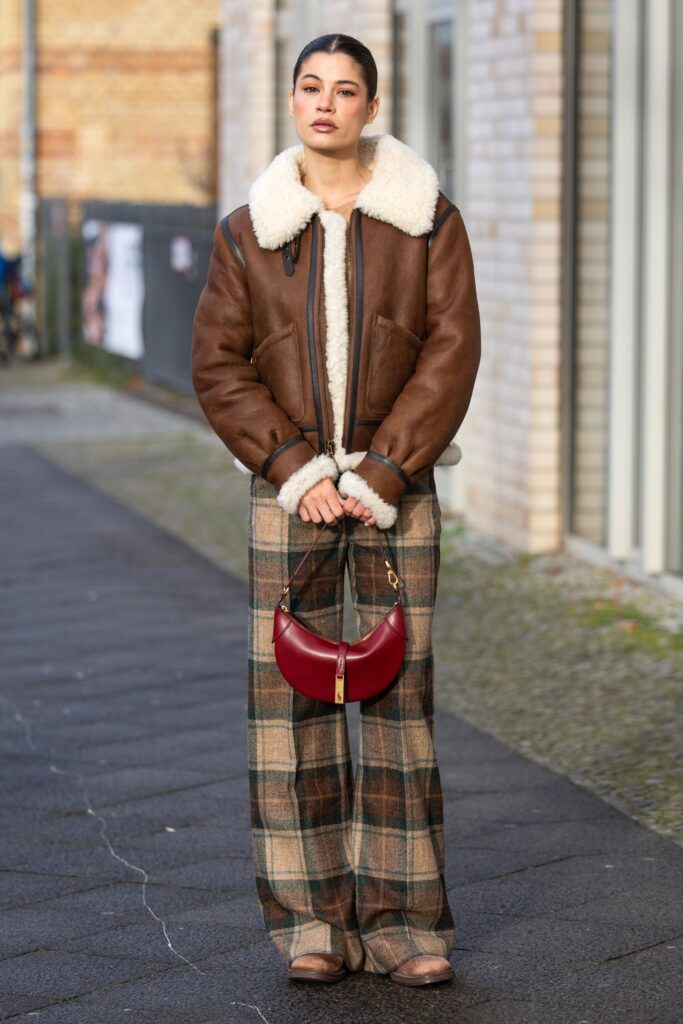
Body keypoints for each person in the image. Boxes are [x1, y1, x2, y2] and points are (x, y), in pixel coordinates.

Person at [191, 32, 481, 987]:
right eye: (310, 87)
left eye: (344, 89)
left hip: (399, 492)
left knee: (400, 708)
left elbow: (451, 353)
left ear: (372, 105)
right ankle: (311, 926)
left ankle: (405, 927)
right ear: (291, 102)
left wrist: (382, 475)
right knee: (290, 714)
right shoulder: (248, 230)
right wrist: (296, 469)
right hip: (289, 498)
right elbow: (218, 365)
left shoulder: (429, 220)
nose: (326, 103)